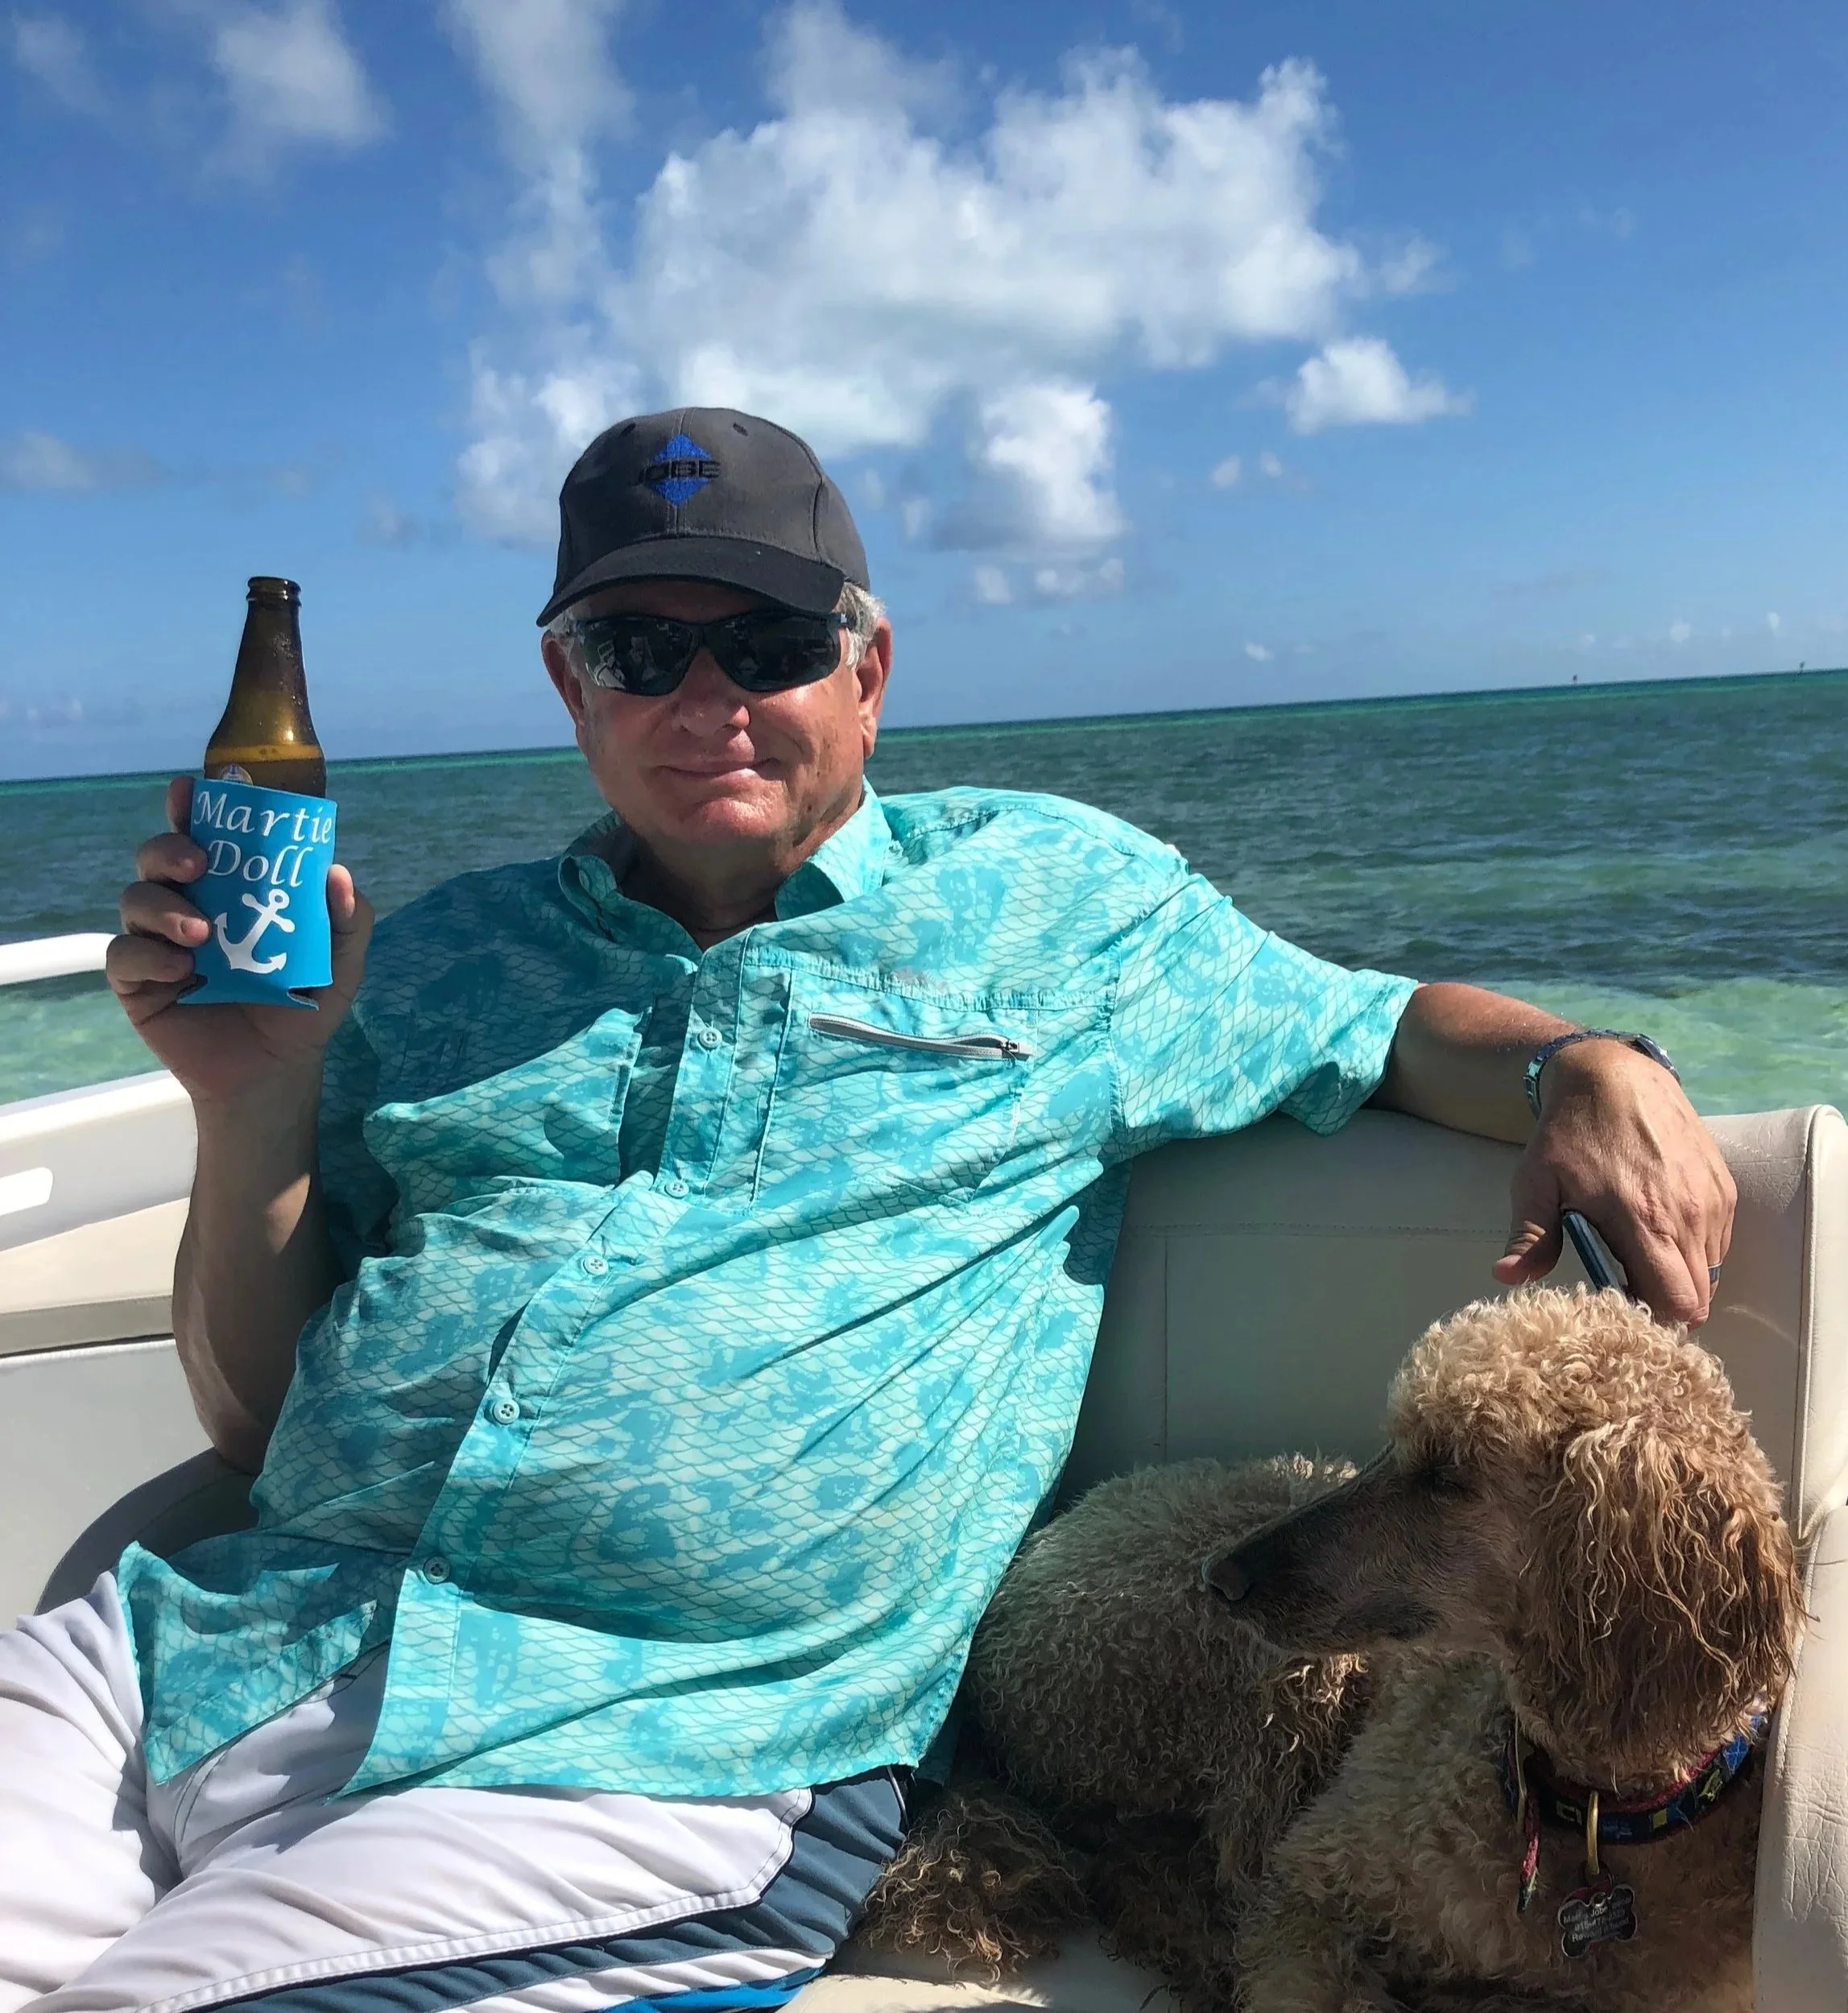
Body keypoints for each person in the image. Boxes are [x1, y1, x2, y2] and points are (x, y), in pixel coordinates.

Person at [0, 409, 1734, 2010]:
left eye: (765, 643)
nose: (706, 699)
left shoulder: (1056, 909)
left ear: (868, 668)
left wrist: (1578, 1064)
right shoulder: (432, 958)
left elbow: (1374, 1025)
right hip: (197, 1649)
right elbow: (255, 1421)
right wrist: (247, 1106)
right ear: (568, 683)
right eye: (637, 649)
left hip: (648, 1753)